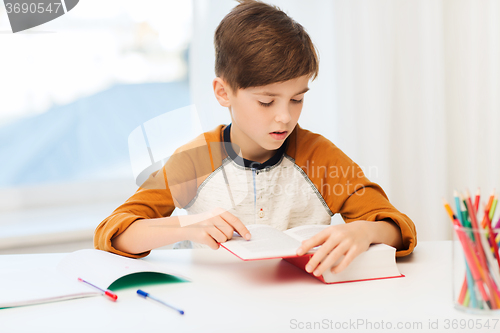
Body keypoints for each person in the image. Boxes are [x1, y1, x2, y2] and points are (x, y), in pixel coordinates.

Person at [94, 0, 417, 277]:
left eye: (297, 99)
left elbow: (399, 229)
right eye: (266, 101)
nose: (285, 117)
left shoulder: (319, 157)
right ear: (223, 93)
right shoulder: (195, 160)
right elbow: (113, 232)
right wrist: (181, 229)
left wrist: (366, 230)